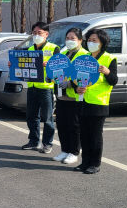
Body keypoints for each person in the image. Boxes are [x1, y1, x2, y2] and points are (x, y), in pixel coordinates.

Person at [72, 28, 118, 174]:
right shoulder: (84, 58)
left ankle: (95, 163)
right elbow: (75, 78)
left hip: (99, 103)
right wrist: (76, 88)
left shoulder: (109, 59)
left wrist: (107, 72)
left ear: (102, 43)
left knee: (95, 135)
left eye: (94, 40)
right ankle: (85, 162)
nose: (91, 43)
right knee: (84, 134)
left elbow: (114, 81)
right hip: (82, 101)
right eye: (89, 40)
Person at [53, 28, 91, 165]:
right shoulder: (63, 53)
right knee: (61, 124)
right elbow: (56, 72)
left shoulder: (85, 55)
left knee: (74, 125)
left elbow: (85, 77)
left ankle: (74, 152)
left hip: (76, 97)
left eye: (73, 38)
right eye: (67, 38)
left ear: (80, 40)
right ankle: (64, 150)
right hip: (61, 96)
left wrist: (68, 84)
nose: (69, 40)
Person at [21, 22, 59, 154]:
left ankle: (47, 144)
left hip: (46, 88)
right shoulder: (30, 49)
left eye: (40, 33)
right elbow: (22, 66)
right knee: (31, 117)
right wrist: (13, 64)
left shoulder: (54, 48)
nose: (36, 35)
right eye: (34, 33)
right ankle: (33, 141)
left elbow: (60, 68)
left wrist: (50, 64)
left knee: (47, 118)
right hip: (32, 87)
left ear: (46, 34)